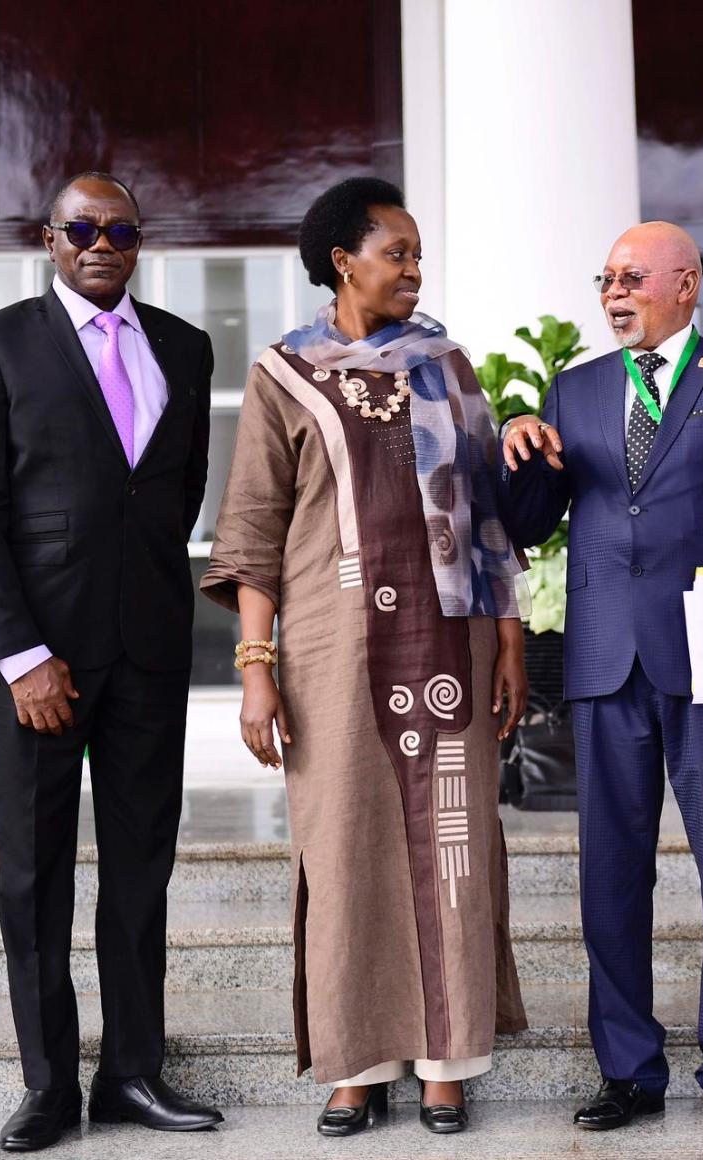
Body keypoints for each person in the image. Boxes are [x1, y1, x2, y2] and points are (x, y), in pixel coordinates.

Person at [200, 177, 529, 1138]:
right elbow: (253, 530)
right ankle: (356, 1063)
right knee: (344, 846)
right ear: (344, 262)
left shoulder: (448, 366)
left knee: (453, 843)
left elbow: (489, 519)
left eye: (418, 254)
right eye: (398, 253)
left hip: (452, 642)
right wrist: (255, 668)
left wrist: (511, 641)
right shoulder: (285, 374)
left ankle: (445, 1062)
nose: (415, 269)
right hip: (330, 650)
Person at [498, 222, 703, 1135]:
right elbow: (529, 523)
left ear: (686, 284)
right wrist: (517, 448)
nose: (614, 292)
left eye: (632, 277)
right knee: (610, 875)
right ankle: (628, 1069)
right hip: (606, 660)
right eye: (605, 278)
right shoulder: (576, 388)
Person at [0, 172, 220, 1152]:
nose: (103, 244)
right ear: (49, 238)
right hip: (40, 659)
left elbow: (177, 490)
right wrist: (21, 654)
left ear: (140, 241)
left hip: (149, 651)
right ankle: (48, 1084)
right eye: (83, 229)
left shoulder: (185, 346)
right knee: (36, 876)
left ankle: (133, 1073)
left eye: (122, 231)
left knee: (141, 869)